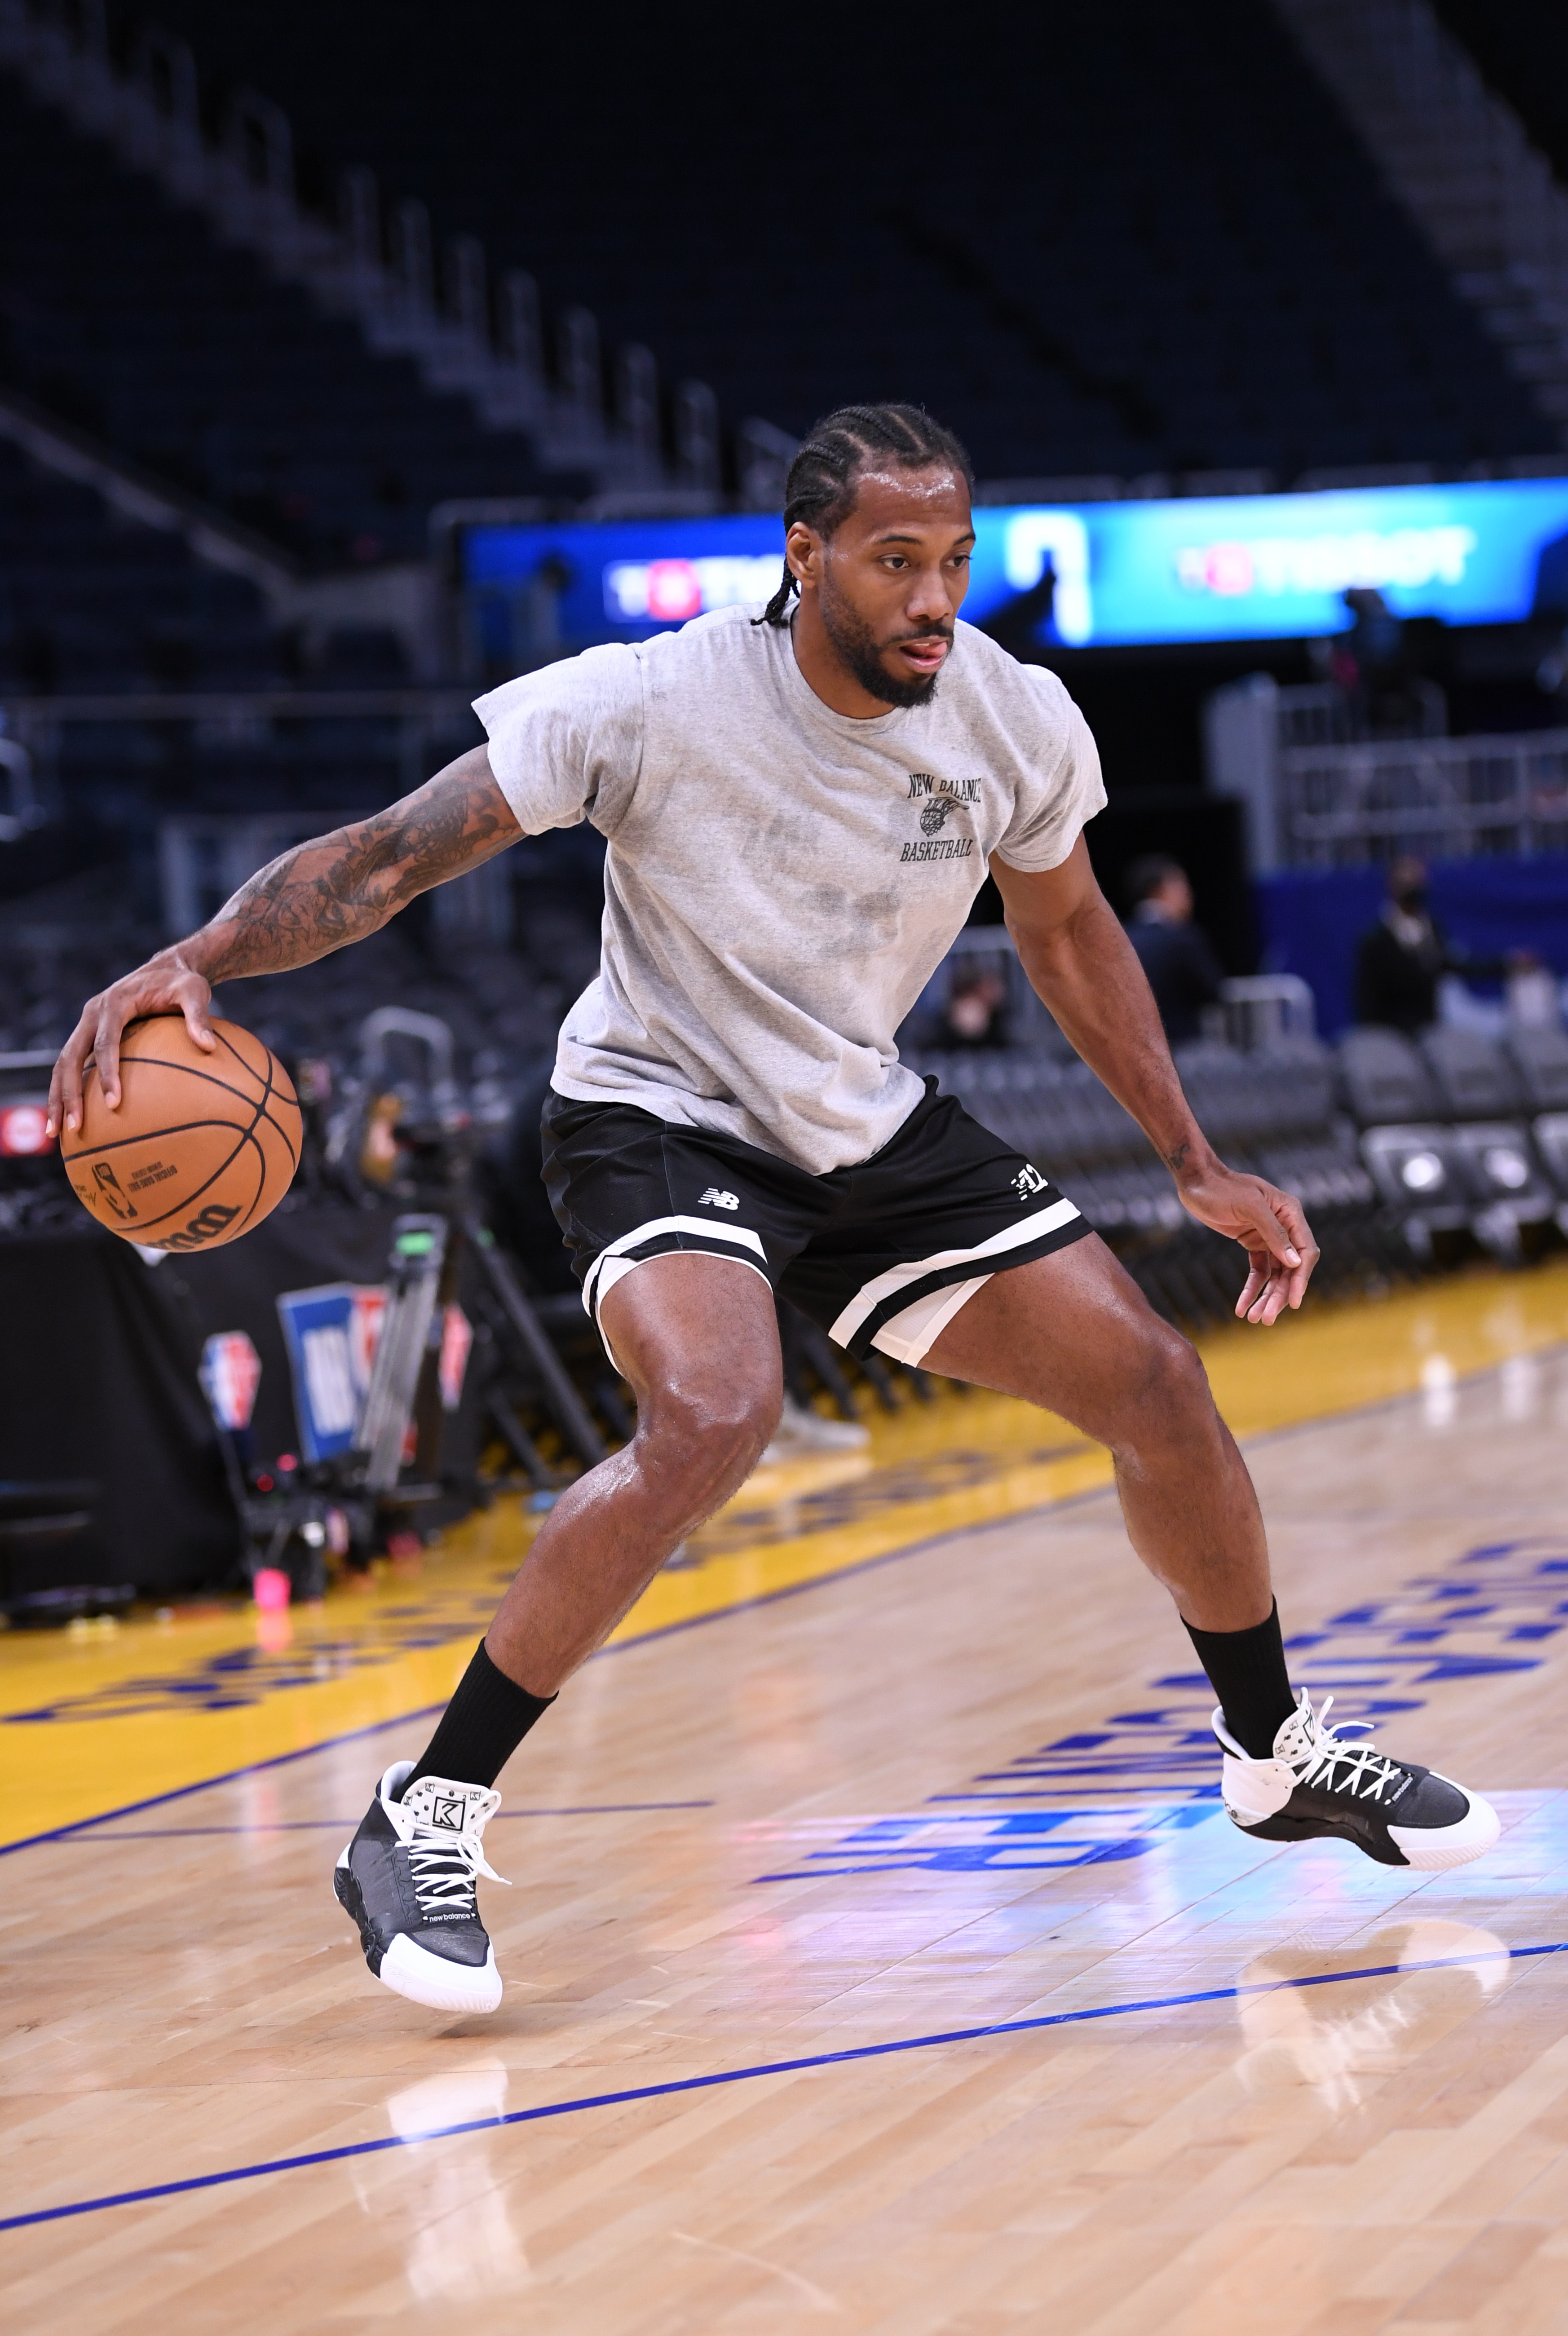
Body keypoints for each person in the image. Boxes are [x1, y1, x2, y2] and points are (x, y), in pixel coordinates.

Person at [50, 403, 1498, 2016]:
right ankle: (423, 1813)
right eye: (895, 561)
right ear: (801, 557)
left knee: (1156, 1383)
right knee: (719, 1409)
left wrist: (1188, 1154)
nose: (933, 598)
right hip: (653, 1116)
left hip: (860, 1124)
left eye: (952, 560)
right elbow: (388, 859)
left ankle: (1268, 1751)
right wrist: (202, 960)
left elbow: (1073, 929)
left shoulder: (1006, 716)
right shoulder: (647, 698)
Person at [1353, 856, 1504, 1033]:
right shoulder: (1376, 941)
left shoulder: (1431, 928)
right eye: (1407, 882)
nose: (1415, 888)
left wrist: (1504, 965)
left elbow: (1454, 964)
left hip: (1430, 1029)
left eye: (1419, 882)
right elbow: (1368, 1002)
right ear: (1393, 886)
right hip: (1394, 1034)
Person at [1122, 855, 1225, 1045]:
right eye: (1181, 887)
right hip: (1186, 1053)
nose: (1189, 896)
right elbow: (1214, 991)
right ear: (1159, 890)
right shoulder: (1183, 939)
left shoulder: (1120, 940)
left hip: (1133, 1051)